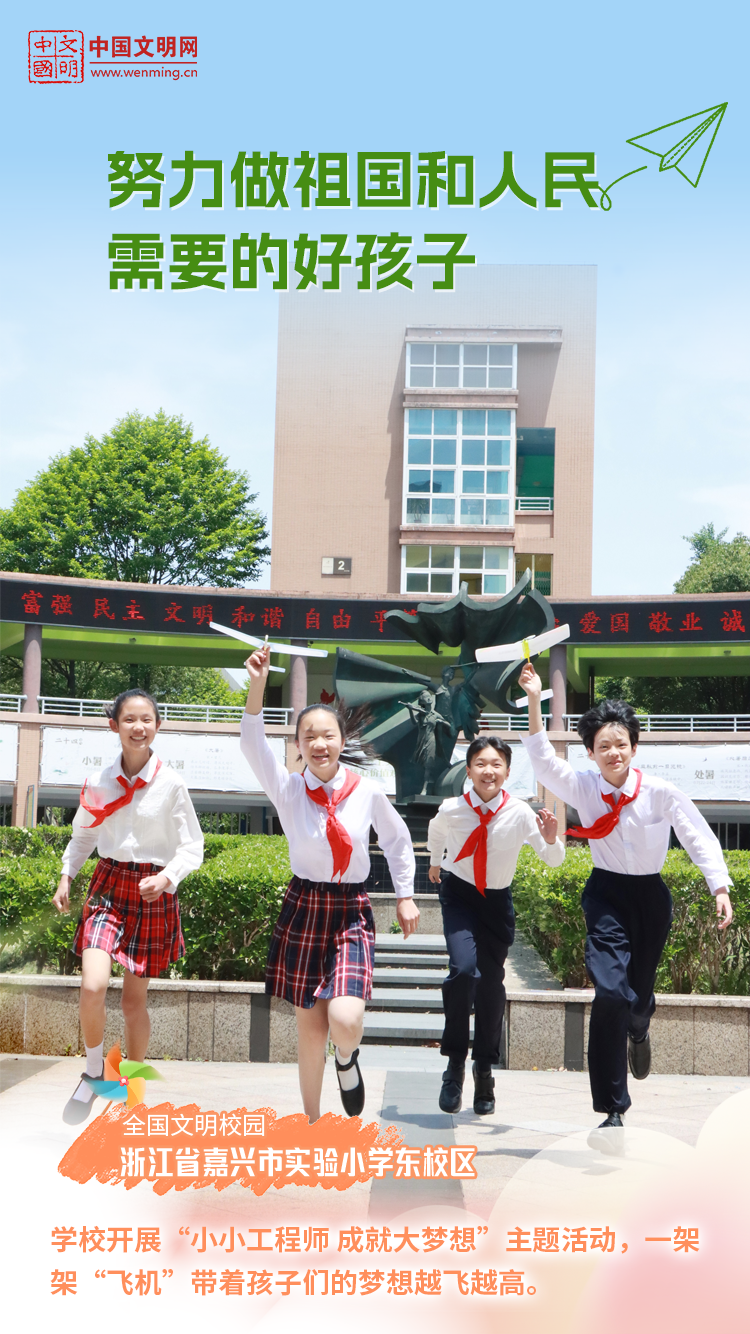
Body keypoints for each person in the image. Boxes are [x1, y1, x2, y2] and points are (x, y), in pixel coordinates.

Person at [519, 663, 733, 1150]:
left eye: (620, 744)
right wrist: (534, 699)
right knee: (610, 994)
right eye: (603, 746)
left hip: (650, 898)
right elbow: (542, 761)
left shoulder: (659, 792)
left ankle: (640, 1027)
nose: (613, 752)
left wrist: (719, 887)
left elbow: (696, 835)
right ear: (591, 753)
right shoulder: (584, 786)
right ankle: (613, 1107)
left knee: (637, 998)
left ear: (634, 747)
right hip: (606, 896)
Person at [240, 644, 419, 1122]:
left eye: (328, 735)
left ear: (342, 740)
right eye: (309, 737)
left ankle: (347, 1057)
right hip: (304, 905)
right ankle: (313, 1122)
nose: (319, 744)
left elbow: (397, 841)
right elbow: (252, 744)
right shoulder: (288, 789)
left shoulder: (366, 791)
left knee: (344, 1020)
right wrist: (258, 684)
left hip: (349, 910)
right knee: (310, 1030)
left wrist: (405, 896)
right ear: (299, 745)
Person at [52, 689, 204, 1125]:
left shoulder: (171, 783)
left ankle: (132, 1093)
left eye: (147, 719)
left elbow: (192, 845)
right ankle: (93, 1071)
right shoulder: (100, 781)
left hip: (152, 892)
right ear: (114, 725)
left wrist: (167, 877)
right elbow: (84, 834)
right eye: (129, 720)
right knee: (93, 986)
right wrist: (66, 875)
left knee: (134, 1004)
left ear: (158, 725)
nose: (139, 727)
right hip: (109, 885)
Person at [427, 735, 564, 1116]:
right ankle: (455, 1064)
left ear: (507, 771)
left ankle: (484, 1069)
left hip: (496, 902)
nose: (489, 771)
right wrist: (435, 861)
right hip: (459, 895)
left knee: (490, 985)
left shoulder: (519, 812)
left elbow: (553, 859)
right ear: (469, 770)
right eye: (481, 764)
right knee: (463, 970)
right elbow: (436, 832)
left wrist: (552, 839)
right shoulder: (453, 808)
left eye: (496, 764)